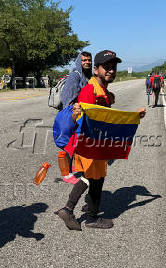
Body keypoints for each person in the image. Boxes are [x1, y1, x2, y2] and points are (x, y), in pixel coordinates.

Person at [54, 50, 146, 230]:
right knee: (96, 178)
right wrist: (76, 114)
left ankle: (79, 208)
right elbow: (82, 119)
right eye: (107, 67)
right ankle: (87, 216)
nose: (111, 71)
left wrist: (134, 116)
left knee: (92, 177)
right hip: (91, 143)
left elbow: (107, 117)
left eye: (114, 67)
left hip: (97, 142)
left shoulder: (101, 89)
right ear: (96, 70)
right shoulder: (90, 90)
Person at [58, 52, 93, 184]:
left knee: (77, 142)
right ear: (79, 61)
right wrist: (72, 115)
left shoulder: (87, 75)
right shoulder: (75, 75)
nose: (87, 62)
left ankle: (72, 165)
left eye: (89, 60)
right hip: (73, 115)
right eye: (84, 60)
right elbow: (67, 97)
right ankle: (66, 174)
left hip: (82, 115)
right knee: (70, 143)